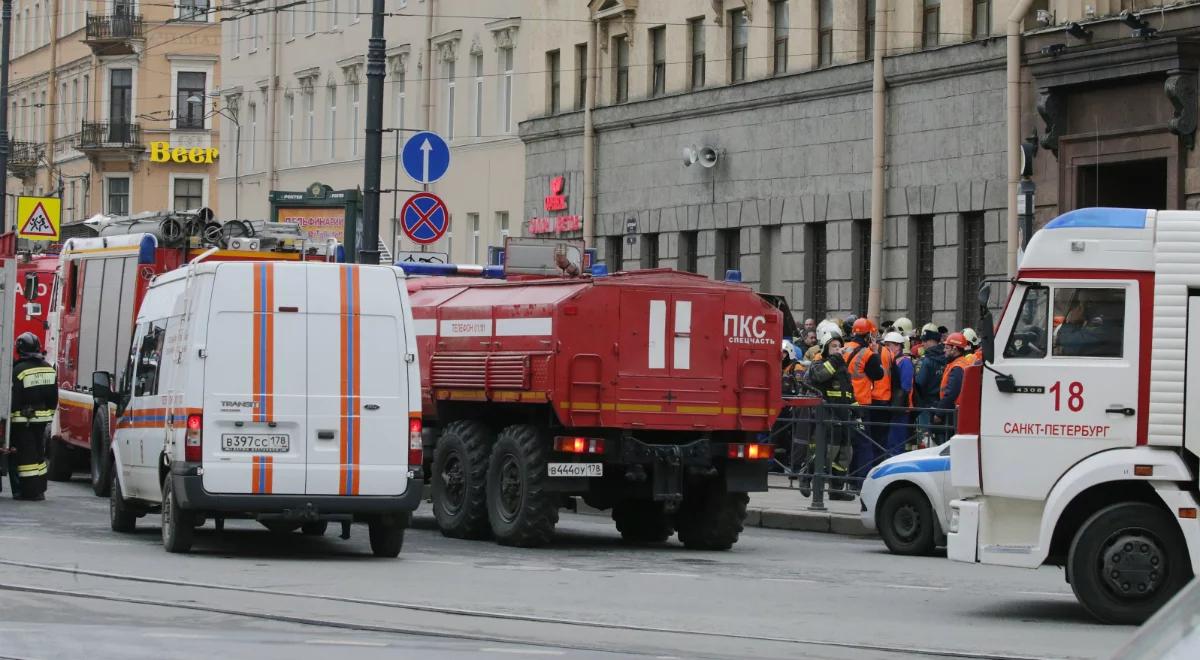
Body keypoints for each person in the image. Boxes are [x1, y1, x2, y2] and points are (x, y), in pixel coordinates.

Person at [804, 327, 855, 501]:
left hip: (844, 416)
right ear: (825, 348)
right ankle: (807, 476)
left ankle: (836, 489)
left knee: (845, 454)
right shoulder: (818, 364)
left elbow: (849, 393)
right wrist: (836, 358)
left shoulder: (842, 368)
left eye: (839, 346)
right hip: (827, 414)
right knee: (828, 452)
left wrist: (857, 413)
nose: (837, 349)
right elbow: (820, 376)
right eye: (833, 346)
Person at [7, 333, 57, 500]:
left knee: (26, 458)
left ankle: (29, 492)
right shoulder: (49, 368)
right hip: (42, 421)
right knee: (39, 457)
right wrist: (47, 415)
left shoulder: (18, 370)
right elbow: (53, 399)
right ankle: (40, 489)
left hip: (23, 421)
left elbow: (14, 399)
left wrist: (11, 418)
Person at [843, 317, 886, 482]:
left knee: (846, 442)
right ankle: (861, 480)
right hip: (861, 404)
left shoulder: (844, 348)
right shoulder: (868, 354)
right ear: (868, 336)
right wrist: (875, 353)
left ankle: (844, 479)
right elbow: (878, 374)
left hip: (843, 402)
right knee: (863, 443)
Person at [934, 332, 975, 434]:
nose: (944, 350)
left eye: (947, 348)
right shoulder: (961, 363)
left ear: (955, 349)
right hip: (958, 410)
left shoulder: (957, 367)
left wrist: (939, 413)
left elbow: (951, 393)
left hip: (955, 413)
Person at [882, 332, 914, 458]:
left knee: (896, 443)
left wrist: (897, 404)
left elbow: (905, 387)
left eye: (888, 345)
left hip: (901, 408)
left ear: (897, 346)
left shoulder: (904, 362)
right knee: (891, 441)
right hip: (893, 406)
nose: (885, 348)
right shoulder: (891, 360)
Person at [912, 325, 948, 437]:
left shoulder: (926, 361)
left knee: (925, 439)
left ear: (932, 341)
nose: (923, 344)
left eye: (925, 341)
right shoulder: (948, 358)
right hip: (944, 405)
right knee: (942, 438)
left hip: (927, 405)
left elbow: (919, 383)